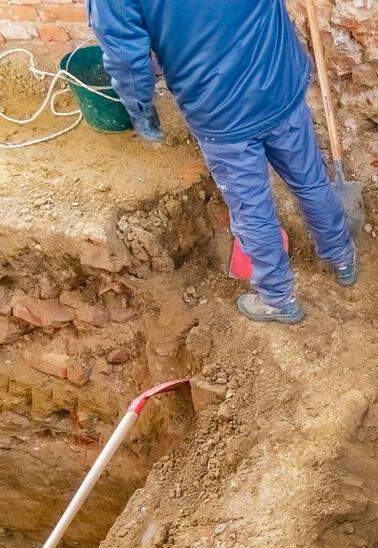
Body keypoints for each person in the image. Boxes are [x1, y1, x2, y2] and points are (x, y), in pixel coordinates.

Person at [89, 0, 359, 325]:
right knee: (310, 181)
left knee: (252, 211)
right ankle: (342, 257)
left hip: (220, 112)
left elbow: (125, 56)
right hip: (278, 80)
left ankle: (277, 299)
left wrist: (141, 110)